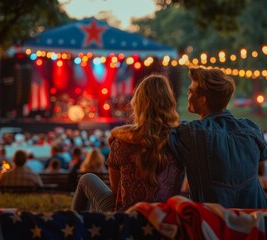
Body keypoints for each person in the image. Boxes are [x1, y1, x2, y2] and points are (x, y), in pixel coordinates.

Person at [72, 74, 184, 212]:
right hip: (166, 216)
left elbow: (115, 189)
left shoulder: (121, 143)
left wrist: (117, 132)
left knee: (87, 179)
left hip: (126, 218)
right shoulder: (181, 139)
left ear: (138, 103)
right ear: (170, 102)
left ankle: (76, 226)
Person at [169, 66, 267, 209]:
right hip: (257, 216)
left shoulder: (192, 133)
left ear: (203, 100)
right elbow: (262, 159)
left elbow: (161, 134)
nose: (188, 94)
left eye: (191, 91)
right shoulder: (252, 129)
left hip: (215, 221)